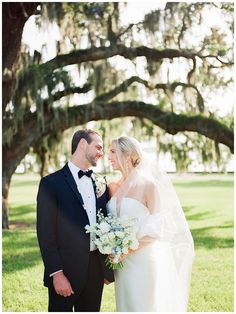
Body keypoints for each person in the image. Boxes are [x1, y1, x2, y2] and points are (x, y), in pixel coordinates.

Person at [107, 136, 194, 312]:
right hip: (120, 265)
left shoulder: (149, 186)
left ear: (128, 155)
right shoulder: (112, 187)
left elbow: (156, 229)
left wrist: (126, 251)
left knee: (143, 306)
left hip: (142, 261)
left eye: (112, 152)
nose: (108, 157)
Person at [36, 129, 114, 312]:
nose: (101, 153)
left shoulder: (101, 182)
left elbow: (107, 222)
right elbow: (45, 233)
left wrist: (105, 269)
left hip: (95, 270)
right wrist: (57, 274)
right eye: (98, 147)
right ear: (82, 144)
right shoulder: (50, 183)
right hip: (65, 270)